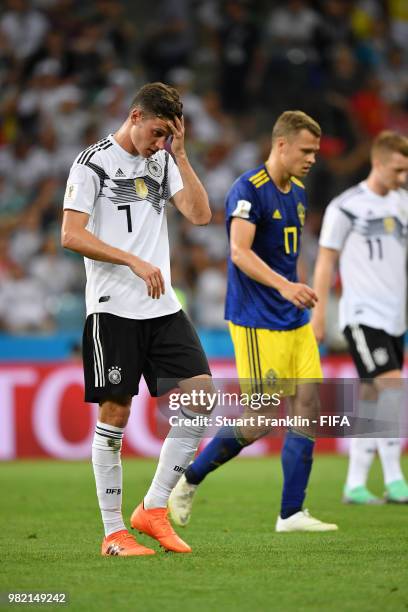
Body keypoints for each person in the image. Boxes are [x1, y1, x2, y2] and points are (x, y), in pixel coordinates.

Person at [61, 82, 213, 557]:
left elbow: (201, 215)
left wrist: (180, 154)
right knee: (116, 413)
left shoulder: (163, 161)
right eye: (157, 132)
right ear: (134, 116)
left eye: (169, 134)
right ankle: (113, 534)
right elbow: (70, 234)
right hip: (113, 306)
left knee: (203, 397)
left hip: (161, 306)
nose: (159, 142)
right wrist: (131, 260)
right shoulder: (92, 164)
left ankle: (153, 508)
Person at [169, 111, 338, 532]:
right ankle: (189, 479)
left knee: (308, 408)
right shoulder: (249, 189)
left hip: (292, 316)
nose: (312, 158)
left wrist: (298, 292)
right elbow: (240, 253)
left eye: (315, 151)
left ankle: (291, 512)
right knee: (260, 419)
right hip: (257, 319)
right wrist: (284, 286)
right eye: (306, 150)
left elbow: (289, 254)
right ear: (281, 145)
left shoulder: (297, 192)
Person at [311, 130, 408, 505]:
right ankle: (396, 479)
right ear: (378, 163)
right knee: (392, 388)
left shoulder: (402, 204)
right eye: (397, 170)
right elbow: (325, 261)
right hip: (362, 314)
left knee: (371, 394)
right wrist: (319, 314)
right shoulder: (346, 207)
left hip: (395, 316)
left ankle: (354, 483)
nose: (402, 178)